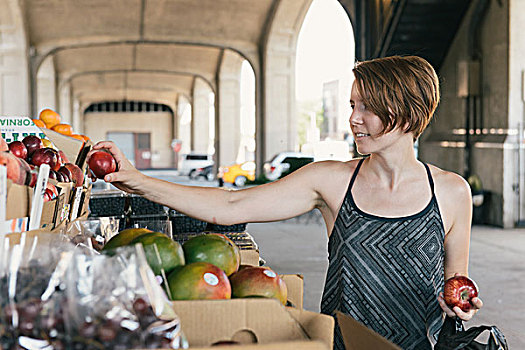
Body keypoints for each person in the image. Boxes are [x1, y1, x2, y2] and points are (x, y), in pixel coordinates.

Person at [91, 55, 483, 350]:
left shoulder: (452, 192)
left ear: (406, 112)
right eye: (351, 105)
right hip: (342, 344)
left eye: (366, 107)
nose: (354, 119)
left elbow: (455, 286)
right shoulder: (332, 181)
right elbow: (231, 207)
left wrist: (460, 305)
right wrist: (137, 182)